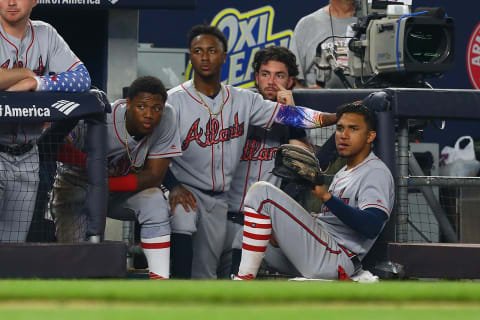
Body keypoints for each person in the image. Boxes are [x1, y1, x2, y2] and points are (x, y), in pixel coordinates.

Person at [165, 24, 337, 279]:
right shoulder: (185, 101)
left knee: (219, 283)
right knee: (191, 263)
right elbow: (157, 151)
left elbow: (296, 131)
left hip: (237, 214)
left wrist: (329, 117)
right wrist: (173, 184)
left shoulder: (248, 103)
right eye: (198, 50)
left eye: (212, 50)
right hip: (202, 201)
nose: (204, 56)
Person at [235, 103, 394, 280]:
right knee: (246, 230)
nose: (344, 135)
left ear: (370, 136)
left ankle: (243, 282)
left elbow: (371, 226)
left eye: (353, 129)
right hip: (321, 252)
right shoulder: (344, 173)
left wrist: (326, 196)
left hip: (336, 258)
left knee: (261, 194)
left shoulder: (375, 172)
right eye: (340, 128)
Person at [51, 76, 181, 280]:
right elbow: (53, 146)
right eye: (141, 107)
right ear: (128, 104)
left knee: (155, 201)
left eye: (156, 108)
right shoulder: (99, 118)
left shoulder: (168, 117)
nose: (149, 114)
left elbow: (155, 176)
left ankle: (160, 283)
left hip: (119, 189)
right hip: (77, 185)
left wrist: (104, 183)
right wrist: (91, 166)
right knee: (74, 263)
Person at [0, 0, 91, 242]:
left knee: (12, 246)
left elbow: (82, 79)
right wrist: (25, 73)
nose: (10, 2)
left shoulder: (45, 34)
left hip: (28, 154)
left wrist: (38, 83)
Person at [221, 46, 312, 278]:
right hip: (221, 216)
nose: (271, 82)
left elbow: (304, 163)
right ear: (256, 77)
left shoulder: (293, 120)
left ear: (290, 81)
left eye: (279, 75)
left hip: (260, 224)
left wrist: (290, 113)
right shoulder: (235, 110)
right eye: (265, 74)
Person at [290, 0, 356, 88]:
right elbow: (291, 81)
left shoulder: (374, 21)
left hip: (368, 100)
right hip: (319, 101)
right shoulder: (307, 24)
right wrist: (309, 96)